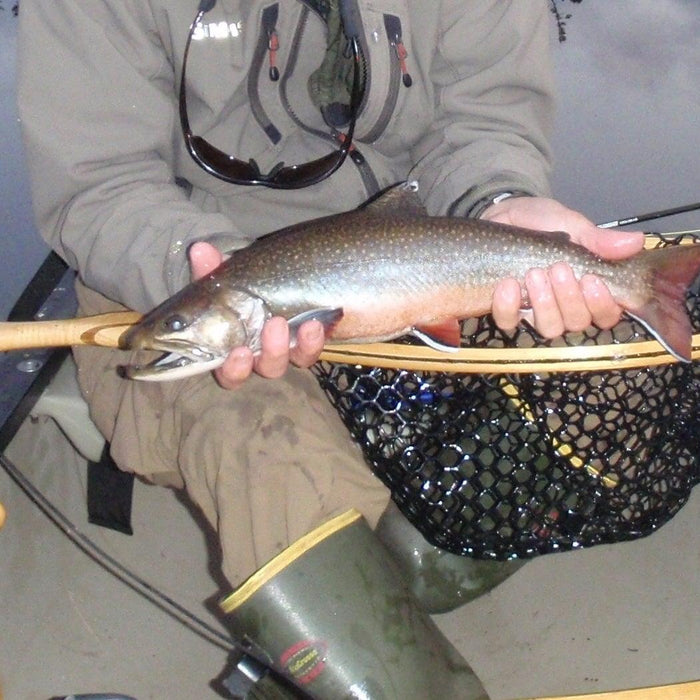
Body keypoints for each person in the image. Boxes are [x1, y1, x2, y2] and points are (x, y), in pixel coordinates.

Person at [18, 1, 643, 697]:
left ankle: (375, 586)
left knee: (602, 373)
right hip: (165, 278)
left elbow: (484, 124)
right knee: (264, 445)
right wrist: (214, 268)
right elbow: (101, 187)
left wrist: (500, 201)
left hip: (420, 261)